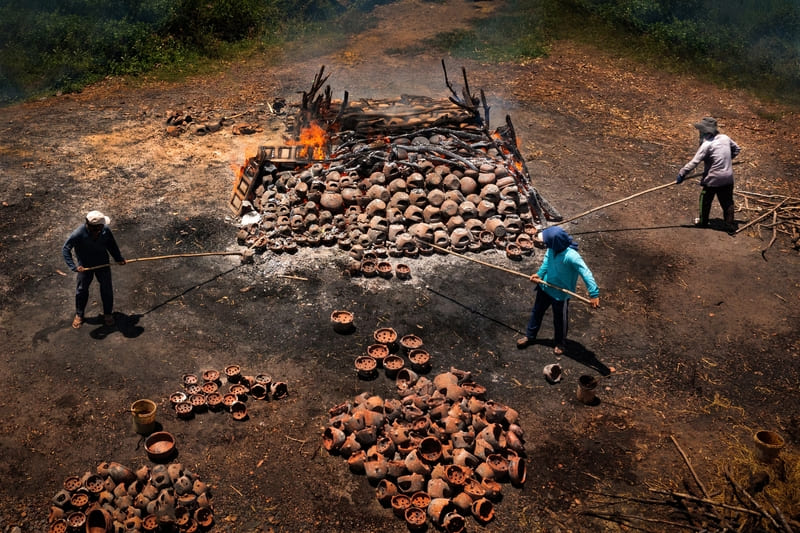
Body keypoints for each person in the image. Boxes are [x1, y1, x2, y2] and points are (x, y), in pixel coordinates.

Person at [517, 226, 600, 354]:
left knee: (560, 320)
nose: (545, 244)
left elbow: (586, 273)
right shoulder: (552, 249)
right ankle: (530, 335)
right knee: (537, 312)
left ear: (554, 242)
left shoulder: (572, 256)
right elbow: (546, 261)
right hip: (544, 287)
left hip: (560, 294)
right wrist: (539, 274)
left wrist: (594, 293)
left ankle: (560, 342)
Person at [62, 210, 126, 328]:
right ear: (96, 226)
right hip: (85, 267)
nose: (104, 227)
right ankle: (79, 314)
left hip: (103, 265)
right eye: (102, 225)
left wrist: (118, 258)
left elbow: (112, 245)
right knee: (81, 290)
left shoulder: (105, 231)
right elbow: (66, 249)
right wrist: (74, 267)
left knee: (106, 289)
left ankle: (108, 314)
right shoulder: (78, 234)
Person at [677, 117, 741, 232]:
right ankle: (729, 224)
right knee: (727, 202)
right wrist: (726, 160)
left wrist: (682, 173)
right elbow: (737, 149)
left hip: (712, 179)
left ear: (706, 132)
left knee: (705, 200)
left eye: (701, 131)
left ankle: (703, 222)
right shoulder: (725, 138)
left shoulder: (707, 145)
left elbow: (694, 162)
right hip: (728, 178)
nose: (700, 133)